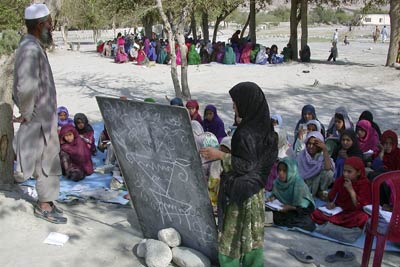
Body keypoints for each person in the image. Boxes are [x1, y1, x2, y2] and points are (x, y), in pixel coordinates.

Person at [199, 82, 277, 267]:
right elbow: (259, 165)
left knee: (231, 238)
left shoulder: (245, 133)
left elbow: (247, 165)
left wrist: (220, 155)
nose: (234, 107)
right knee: (252, 236)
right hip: (256, 192)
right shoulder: (267, 131)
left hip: (240, 195)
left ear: (247, 103)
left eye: (236, 102)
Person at [13, 3, 67, 224]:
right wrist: (26, 113)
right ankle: (44, 204)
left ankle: (48, 199)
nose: (51, 27)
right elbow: (25, 87)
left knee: (47, 158)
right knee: (45, 160)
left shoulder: (34, 45)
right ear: (40, 25)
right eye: (49, 23)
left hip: (44, 115)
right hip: (38, 117)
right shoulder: (29, 49)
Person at [311, 157, 372, 228]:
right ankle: (337, 224)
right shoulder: (340, 180)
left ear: (358, 172)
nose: (345, 174)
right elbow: (331, 197)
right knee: (317, 213)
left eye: (349, 172)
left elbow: (363, 207)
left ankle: (333, 223)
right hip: (339, 211)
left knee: (363, 218)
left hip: (354, 213)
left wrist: (351, 190)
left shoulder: (364, 184)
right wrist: (332, 204)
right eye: (344, 171)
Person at [267, 157, 316, 231]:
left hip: (296, 211)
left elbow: (307, 208)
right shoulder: (277, 182)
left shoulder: (298, 184)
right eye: (279, 170)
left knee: (305, 222)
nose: (280, 173)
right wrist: (273, 198)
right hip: (281, 208)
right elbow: (275, 194)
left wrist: (290, 207)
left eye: (284, 171)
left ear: (291, 171)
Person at [297, 131, 335, 199]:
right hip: (304, 182)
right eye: (309, 143)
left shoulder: (321, 156)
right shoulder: (302, 155)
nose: (311, 146)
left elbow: (328, 168)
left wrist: (325, 149)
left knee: (329, 173)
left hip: (317, 182)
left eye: (314, 144)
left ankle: (320, 191)